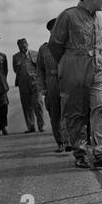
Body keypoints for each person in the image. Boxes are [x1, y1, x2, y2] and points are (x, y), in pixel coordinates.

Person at [48, 0, 102, 168]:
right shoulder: (68, 15)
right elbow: (54, 44)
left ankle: (101, 152)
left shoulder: (98, 17)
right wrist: (68, 64)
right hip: (75, 66)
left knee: (100, 106)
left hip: (98, 66)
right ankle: (80, 154)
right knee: (76, 112)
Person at [37, 18, 68, 152]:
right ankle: (60, 142)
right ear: (50, 31)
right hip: (52, 84)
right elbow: (39, 70)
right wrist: (42, 88)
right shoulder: (44, 49)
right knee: (55, 115)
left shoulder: (69, 46)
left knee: (70, 113)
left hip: (68, 82)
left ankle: (70, 141)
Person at [13, 38, 45, 133]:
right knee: (26, 106)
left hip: (35, 83)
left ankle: (41, 126)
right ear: (18, 46)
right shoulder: (15, 57)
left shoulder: (35, 54)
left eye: (24, 46)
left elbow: (40, 68)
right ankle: (30, 127)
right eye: (20, 46)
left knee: (38, 104)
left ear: (27, 45)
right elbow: (15, 70)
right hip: (23, 84)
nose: (23, 48)